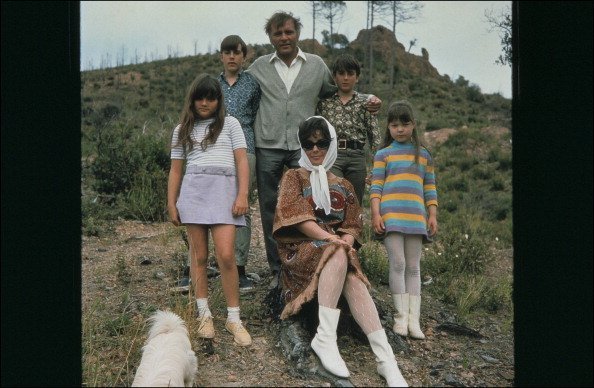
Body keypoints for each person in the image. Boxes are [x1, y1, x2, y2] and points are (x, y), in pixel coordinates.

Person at [246, 11, 381, 289]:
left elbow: (340, 92)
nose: (284, 37)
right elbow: (239, 92)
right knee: (271, 208)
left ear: (297, 33)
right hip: (267, 145)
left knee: (314, 204)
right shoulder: (258, 67)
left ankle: (314, 261)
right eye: (277, 33)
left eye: (289, 32)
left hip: (304, 147)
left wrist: (368, 99)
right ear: (270, 37)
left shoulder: (316, 65)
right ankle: (277, 268)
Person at [272, 116, 408, 387]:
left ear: (331, 144)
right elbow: (298, 219)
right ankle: (328, 338)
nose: (315, 150)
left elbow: (352, 225)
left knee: (350, 274)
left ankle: (385, 359)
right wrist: (333, 240)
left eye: (322, 143)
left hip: (336, 251)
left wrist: (342, 240)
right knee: (337, 251)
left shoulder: (344, 185)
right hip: (300, 250)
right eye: (308, 144)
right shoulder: (293, 177)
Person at [167, 73, 252, 346]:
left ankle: (233, 318)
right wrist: (172, 202)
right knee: (199, 256)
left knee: (226, 255)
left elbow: (242, 162)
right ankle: (204, 314)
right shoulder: (182, 130)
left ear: (218, 100)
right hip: (193, 195)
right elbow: (176, 170)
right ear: (192, 99)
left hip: (224, 195)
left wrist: (242, 195)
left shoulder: (231, 124)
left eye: (211, 98)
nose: (204, 103)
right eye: (199, 97)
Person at [370, 100, 438, 340]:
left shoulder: (424, 155)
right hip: (391, 216)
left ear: (413, 125)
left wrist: (432, 215)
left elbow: (430, 188)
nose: (400, 129)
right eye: (394, 125)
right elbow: (376, 187)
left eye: (405, 124)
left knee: (413, 267)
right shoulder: (383, 154)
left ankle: (413, 321)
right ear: (388, 127)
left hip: (416, 218)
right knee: (397, 264)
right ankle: (400, 319)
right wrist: (376, 213)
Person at [218, 35, 262, 293]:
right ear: (221, 56)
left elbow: (256, 113)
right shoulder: (213, 85)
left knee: (241, 205)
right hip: (216, 149)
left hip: (245, 148)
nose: (232, 57)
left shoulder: (252, 85)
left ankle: (240, 268)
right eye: (227, 52)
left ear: (244, 56)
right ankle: (208, 263)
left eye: (237, 52)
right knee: (213, 205)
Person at [316, 53, 380, 206]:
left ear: (357, 77)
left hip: (357, 158)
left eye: (350, 74)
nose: (345, 78)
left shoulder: (365, 103)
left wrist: (375, 168)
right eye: (341, 74)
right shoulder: (324, 103)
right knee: (334, 196)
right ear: (335, 76)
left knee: (354, 202)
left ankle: (352, 230)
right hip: (333, 156)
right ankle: (331, 230)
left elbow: (375, 137)